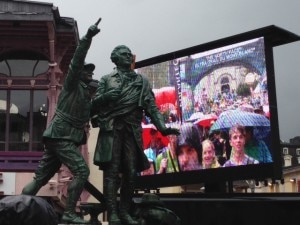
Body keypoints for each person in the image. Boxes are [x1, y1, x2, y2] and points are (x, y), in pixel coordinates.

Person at [21, 20, 101, 224]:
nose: (90, 73)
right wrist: (88, 38)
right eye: (87, 71)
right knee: (82, 171)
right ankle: (69, 212)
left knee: (40, 178)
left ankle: (18, 206)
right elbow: (76, 61)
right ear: (79, 73)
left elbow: (89, 114)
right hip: (61, 135)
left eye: (91, 71)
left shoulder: (84, 94)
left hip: (62, 137)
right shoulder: (72, 85)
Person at [91, 45, 180, 225]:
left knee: (131, 173)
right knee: (112, 172)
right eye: (123, 55)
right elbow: (93, 105)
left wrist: (163, 128)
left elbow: (151, 108)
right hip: (112, 129)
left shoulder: (141, 81)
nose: (128, 57)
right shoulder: (106, 80)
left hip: (132, 130)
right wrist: (107, 96)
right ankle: (113, 214)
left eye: (128, 54)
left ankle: (124, 212)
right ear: (115, 59)